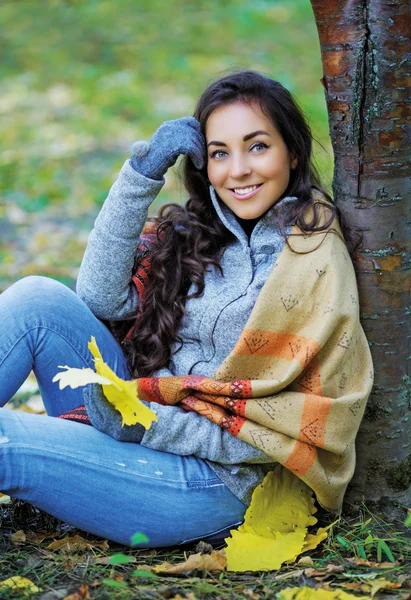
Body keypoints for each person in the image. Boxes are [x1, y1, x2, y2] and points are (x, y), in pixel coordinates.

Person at [0, 70, 373, 548]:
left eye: (257, 146)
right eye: (220, 152)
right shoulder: (201, 233)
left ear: (293, 153)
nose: (238, 170)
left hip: (214, 483)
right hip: (142, 416)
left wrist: (145, 421)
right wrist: (142, 173)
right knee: (36, 298)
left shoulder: (313, 264)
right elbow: (98, 297)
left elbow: (274, 436)